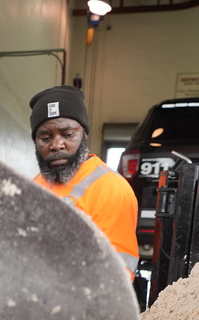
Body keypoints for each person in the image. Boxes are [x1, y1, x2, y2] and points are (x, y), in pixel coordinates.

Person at [29, 85, 140, 278]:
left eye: (68, 135)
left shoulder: (111, 189)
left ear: (84, 134)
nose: (56, 145)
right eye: (45, 137)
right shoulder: (34, 185)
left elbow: (117, 274)